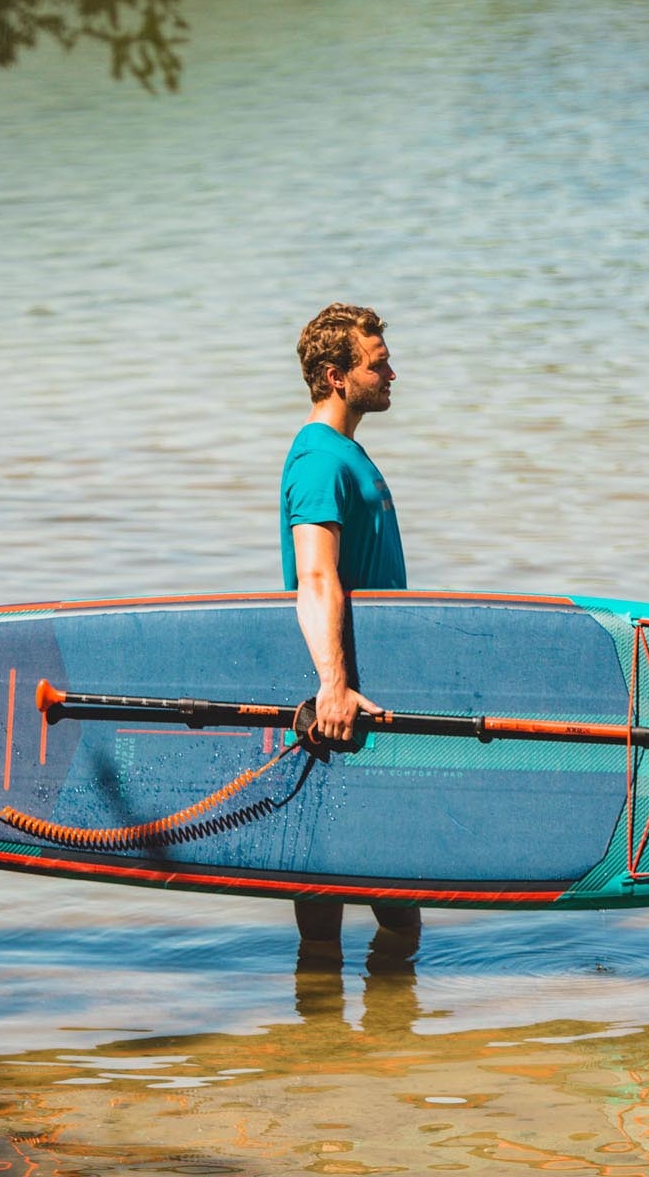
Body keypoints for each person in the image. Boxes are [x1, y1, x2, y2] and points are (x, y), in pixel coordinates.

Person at [280, 302, 422, 964]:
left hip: (366, 693)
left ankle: (356, 1027)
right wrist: (333, 686)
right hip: (341, 698)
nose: (392, 373)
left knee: (396, 902)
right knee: (332, 903)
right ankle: (326, 1015)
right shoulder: (318, 460)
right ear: (337, 376)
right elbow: (315, 575)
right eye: (378, 363)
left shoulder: (345, 454)